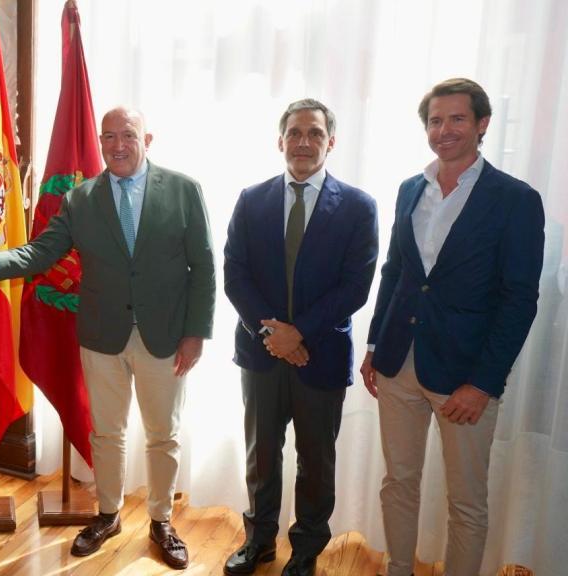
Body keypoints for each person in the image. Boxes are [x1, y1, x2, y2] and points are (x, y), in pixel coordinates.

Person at [0, 106, 216, 570]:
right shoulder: (80, 199)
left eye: (127, 135)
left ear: (147, 139)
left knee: (163, 434)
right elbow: (40, 253)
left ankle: (161, 521)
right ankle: (108, 514)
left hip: (165, 337)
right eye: (108, 136)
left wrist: (196, 333)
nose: (117, 145)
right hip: (102, 336)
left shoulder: (183, 190)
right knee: (106, 432)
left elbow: (205, 267)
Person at [361, 78, 544, 576]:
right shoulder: (410, 189)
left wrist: (483, 384)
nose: (444, 130)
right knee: (398, 482)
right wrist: (375, 343)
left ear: (482, 124)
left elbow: (519, 300)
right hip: (398, 362)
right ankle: (399, 568)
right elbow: (396, 273)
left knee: (466, 500)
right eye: (435, 121)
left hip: (465, 375)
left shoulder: (515, 199)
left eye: (457, 119)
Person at [222, 99, 378, 576]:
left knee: (316, 461)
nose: (303, 142)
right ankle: (259, 541)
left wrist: (299, 333)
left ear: (331, 142)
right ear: (280, 141)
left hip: (320, 355)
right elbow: (235, 274)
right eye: (295, 132)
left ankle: (307, 550)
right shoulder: (251, 199)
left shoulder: (358, 207)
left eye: (314, 133)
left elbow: (355, 285)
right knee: (262, 455)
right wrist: (273, 334)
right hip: (261, 352)